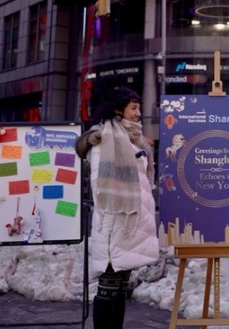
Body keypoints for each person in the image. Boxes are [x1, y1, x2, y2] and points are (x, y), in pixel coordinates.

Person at [75, 87, 158, 329]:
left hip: (128, 225)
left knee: (120, 287)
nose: (138, 113)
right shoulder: (105, 140)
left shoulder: (131, 139)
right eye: (133, 108)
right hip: (115, 225)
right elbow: (103, 188)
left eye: (138, 107)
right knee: (109, 287)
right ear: (117, 109)